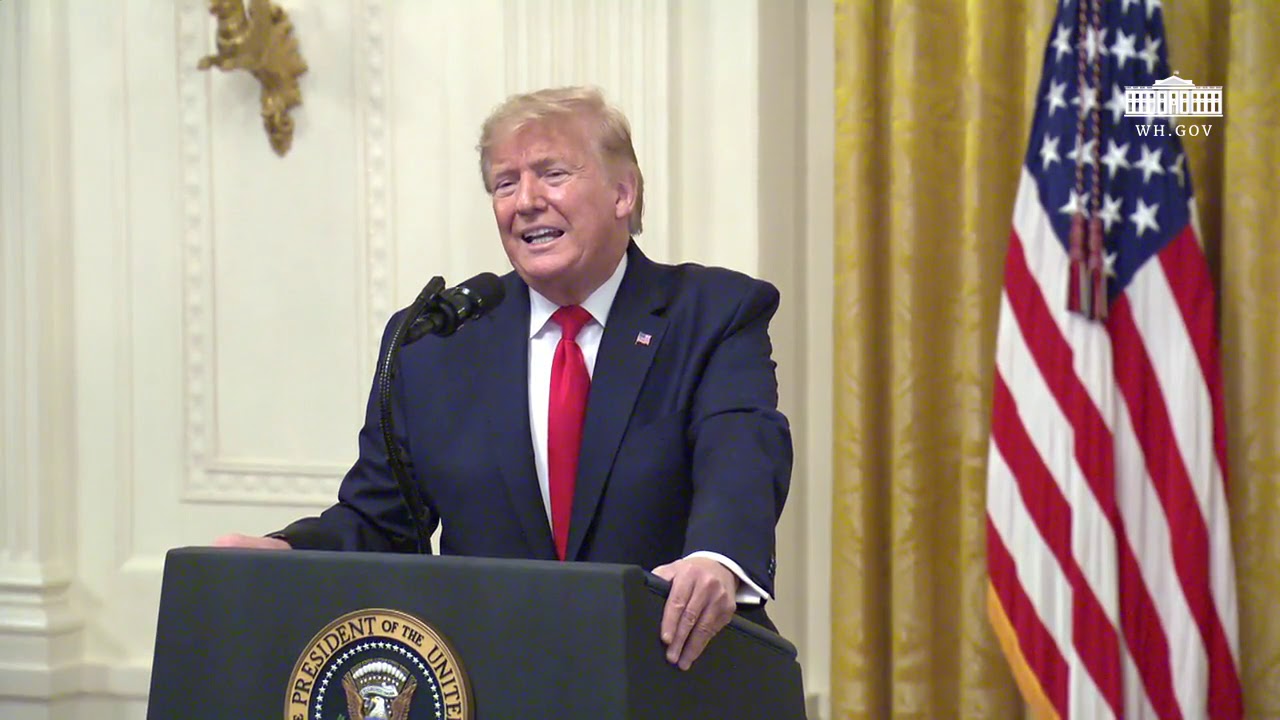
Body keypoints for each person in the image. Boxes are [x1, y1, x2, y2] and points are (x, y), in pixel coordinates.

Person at [215, 86, 792, 670]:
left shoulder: (712, 313)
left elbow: (741, 452)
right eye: (505, 183)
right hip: (496, 675)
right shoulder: (437, 341)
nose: (526, 201)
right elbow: (382, 522)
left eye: (552, 173)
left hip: (669, 667)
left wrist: (717, 559)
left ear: (623, 192)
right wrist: (284, 552)